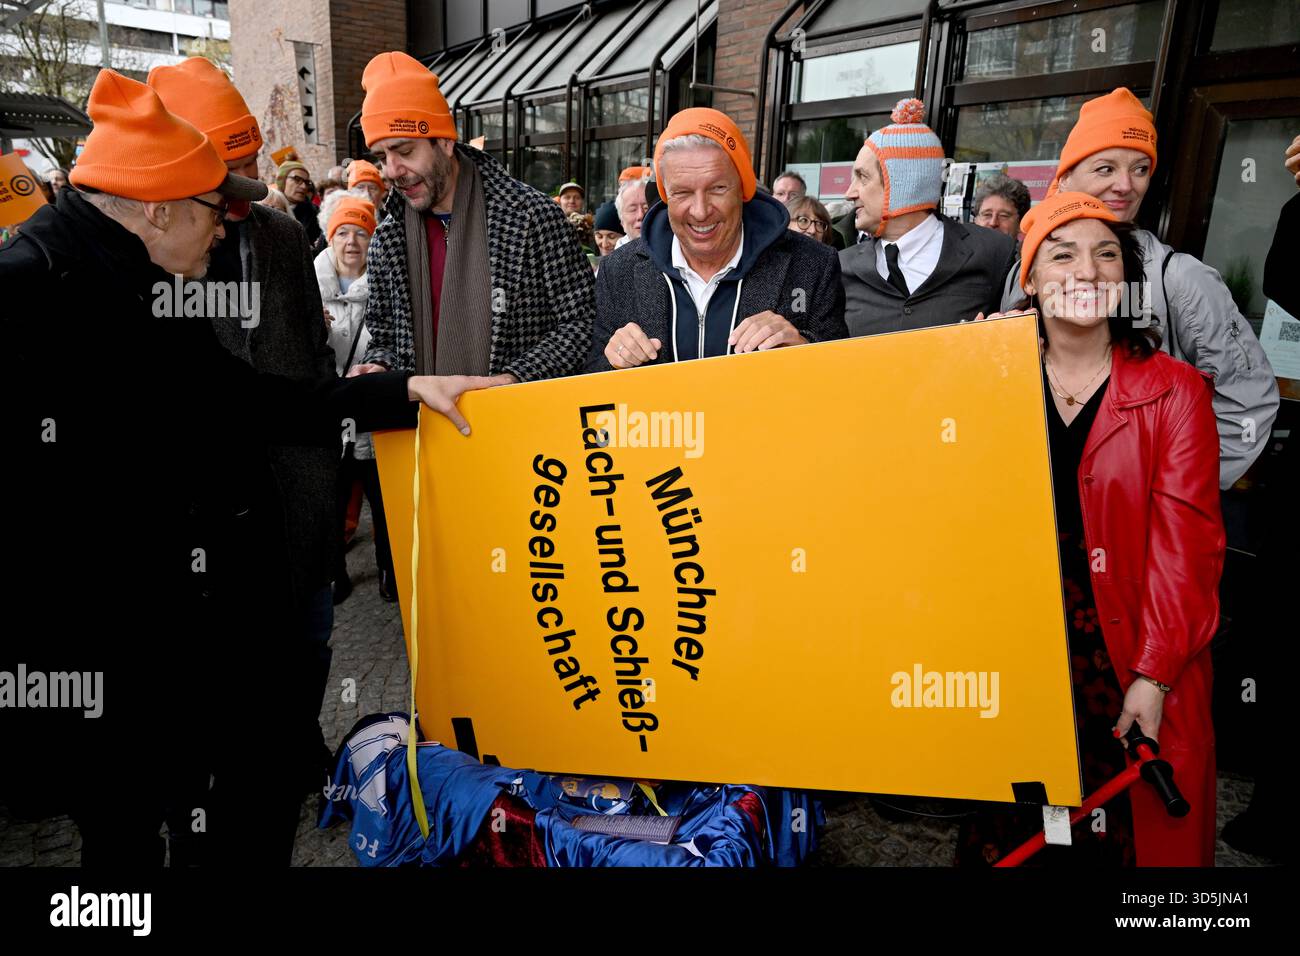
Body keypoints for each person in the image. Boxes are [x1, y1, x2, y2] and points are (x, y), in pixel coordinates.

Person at [0, 69, 500, 868]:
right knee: (122, 835)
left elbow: (253, 398)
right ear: (158, 208)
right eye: (214, 208)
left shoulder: (145, 277)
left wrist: (404, 390)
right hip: (103, 653)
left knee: (239, 808)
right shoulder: (24, 294)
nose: (228, 223)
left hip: (206, 626)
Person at [959, 192, 1224, 867]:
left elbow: (1186, 550)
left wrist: (1155, 675)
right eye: (1063, 252)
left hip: (1125, 648)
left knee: (1114, 832)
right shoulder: (987, 373)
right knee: (1016, 826)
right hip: (1016, 651)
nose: (1088, 269)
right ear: (1031, 276)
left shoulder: (1175, 391)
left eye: (1107, 254)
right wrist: (962, 371)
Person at [149, 56, 345, 812]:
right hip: (214, 524)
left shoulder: (282, 238)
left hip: (300, 492)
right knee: (228, 681)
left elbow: (310, 352)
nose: (246, 181)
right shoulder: (146, 253)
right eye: (226, 166)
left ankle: (297, 741)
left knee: (312, 642)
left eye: (249, 159)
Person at [1001, 88, 1279, 489]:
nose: (1125, 186)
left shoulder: (1182, 279)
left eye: (1140, 169)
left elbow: (1248, 404)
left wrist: (1174, 490)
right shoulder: (1025, 270)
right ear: (1065, 177)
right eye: (1105, 168)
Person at [353, 51, 593, 381]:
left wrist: (511, 379)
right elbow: (384, 338)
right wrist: (379, 365)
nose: (392, 171)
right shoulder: (388, 236)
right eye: (382, 157)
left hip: (516, 421)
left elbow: (582, 323)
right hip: (423, 426)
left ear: (446, 142)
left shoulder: (533, 216)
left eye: (405, 151)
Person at [586, 107, 846, 372]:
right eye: (683, 192)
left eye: (718, 188)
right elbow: (592, 379)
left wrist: (804, 350)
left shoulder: (813, 265)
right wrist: (613, 360)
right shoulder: (619, 270)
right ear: (666, 196)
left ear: (743, 188)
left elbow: (839, 375)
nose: (700, 211)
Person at [840, 99, 1016, 337]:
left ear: (903, 184)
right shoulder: (841, 266)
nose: (849, 193)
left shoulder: (995, 252)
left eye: (862, 177)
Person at [314, 192, 396, 604]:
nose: (351, 242)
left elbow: (394, 342)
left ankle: (389, 568)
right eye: (343, 232)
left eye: (361, 233)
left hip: (373, 410)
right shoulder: (308, 286)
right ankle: (335, 574)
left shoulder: (384, 286)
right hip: (331, 413)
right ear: (330, 238)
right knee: (331, 499)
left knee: (383, 500)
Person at [277, 159, 323, 246]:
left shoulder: (316, 215)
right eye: (297, 179)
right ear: (282, 180)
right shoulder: (267, 206)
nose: (304, 186)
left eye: (307, 182)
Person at [972, 173, 1030, 240]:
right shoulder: (960, 249)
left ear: (1021, 222)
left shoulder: (1029, 250)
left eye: (1003, 216)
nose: (993, 223)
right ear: (976, 220)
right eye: (987, 214)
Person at [613, 165, 651, 249]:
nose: (641, 215)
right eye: (632, 210)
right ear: (622, 221)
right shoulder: (613, 260)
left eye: (646, 208)